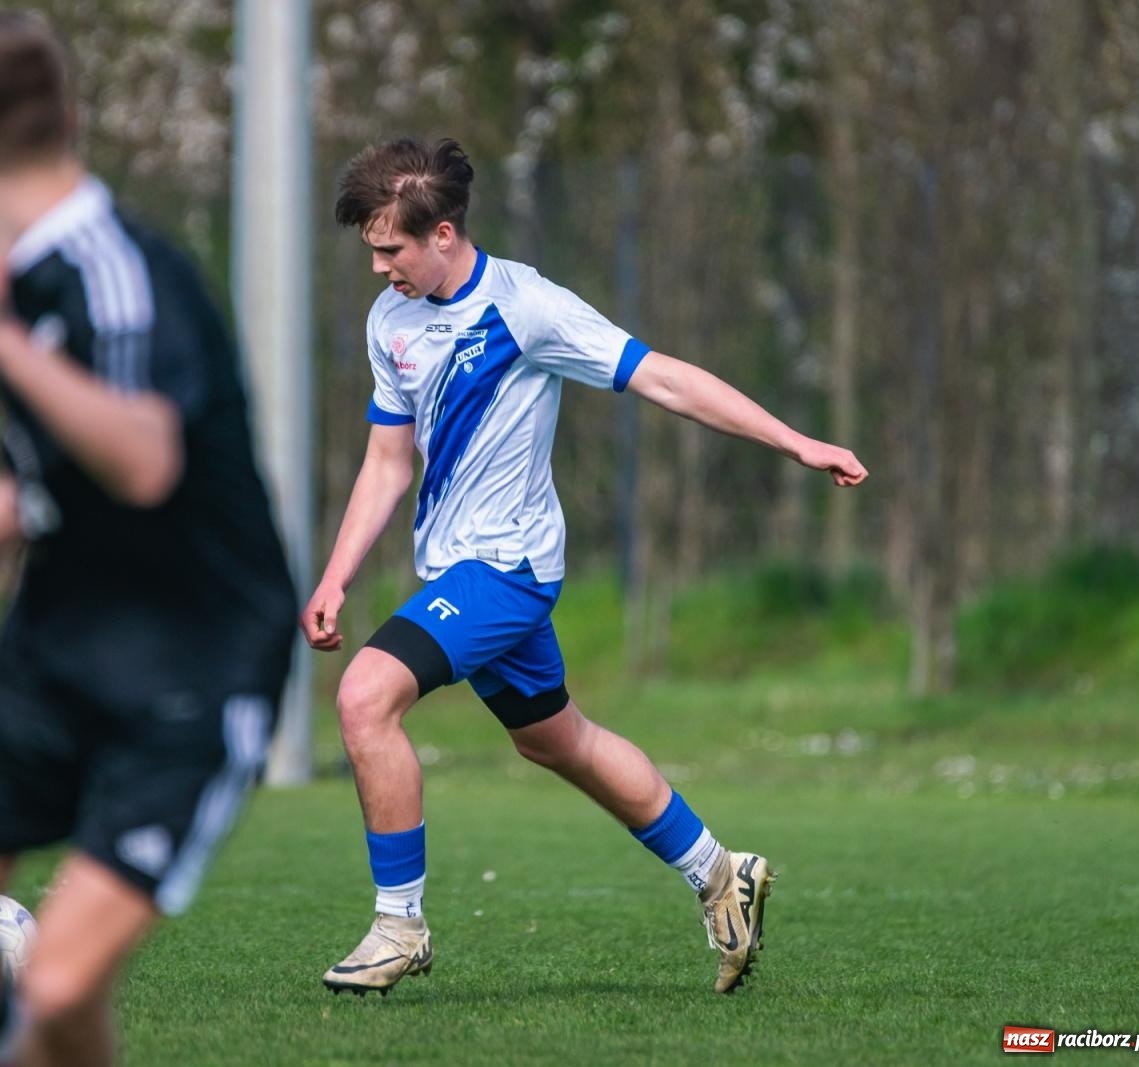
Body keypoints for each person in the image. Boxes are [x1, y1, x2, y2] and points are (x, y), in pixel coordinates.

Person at [304, 137, 867, 998]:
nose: (380, 267)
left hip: (508, 569)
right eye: (373, 251)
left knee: (364, 696)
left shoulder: (527, 307)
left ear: (444, 233)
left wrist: (796, 441)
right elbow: (388, 462)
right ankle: (722, 872)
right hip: (455, 571)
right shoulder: (393, 322)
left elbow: (665, 379)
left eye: (392, 249)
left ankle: (399, 922)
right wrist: (337, 575)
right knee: (557, 740)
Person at [0, 11, 294, 1065]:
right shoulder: (21, 271)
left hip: (190, 658)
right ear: (70, 113)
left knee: (58, 981)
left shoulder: (110, 272)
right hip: (58, 637)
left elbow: (140, 455)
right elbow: (41, 466)